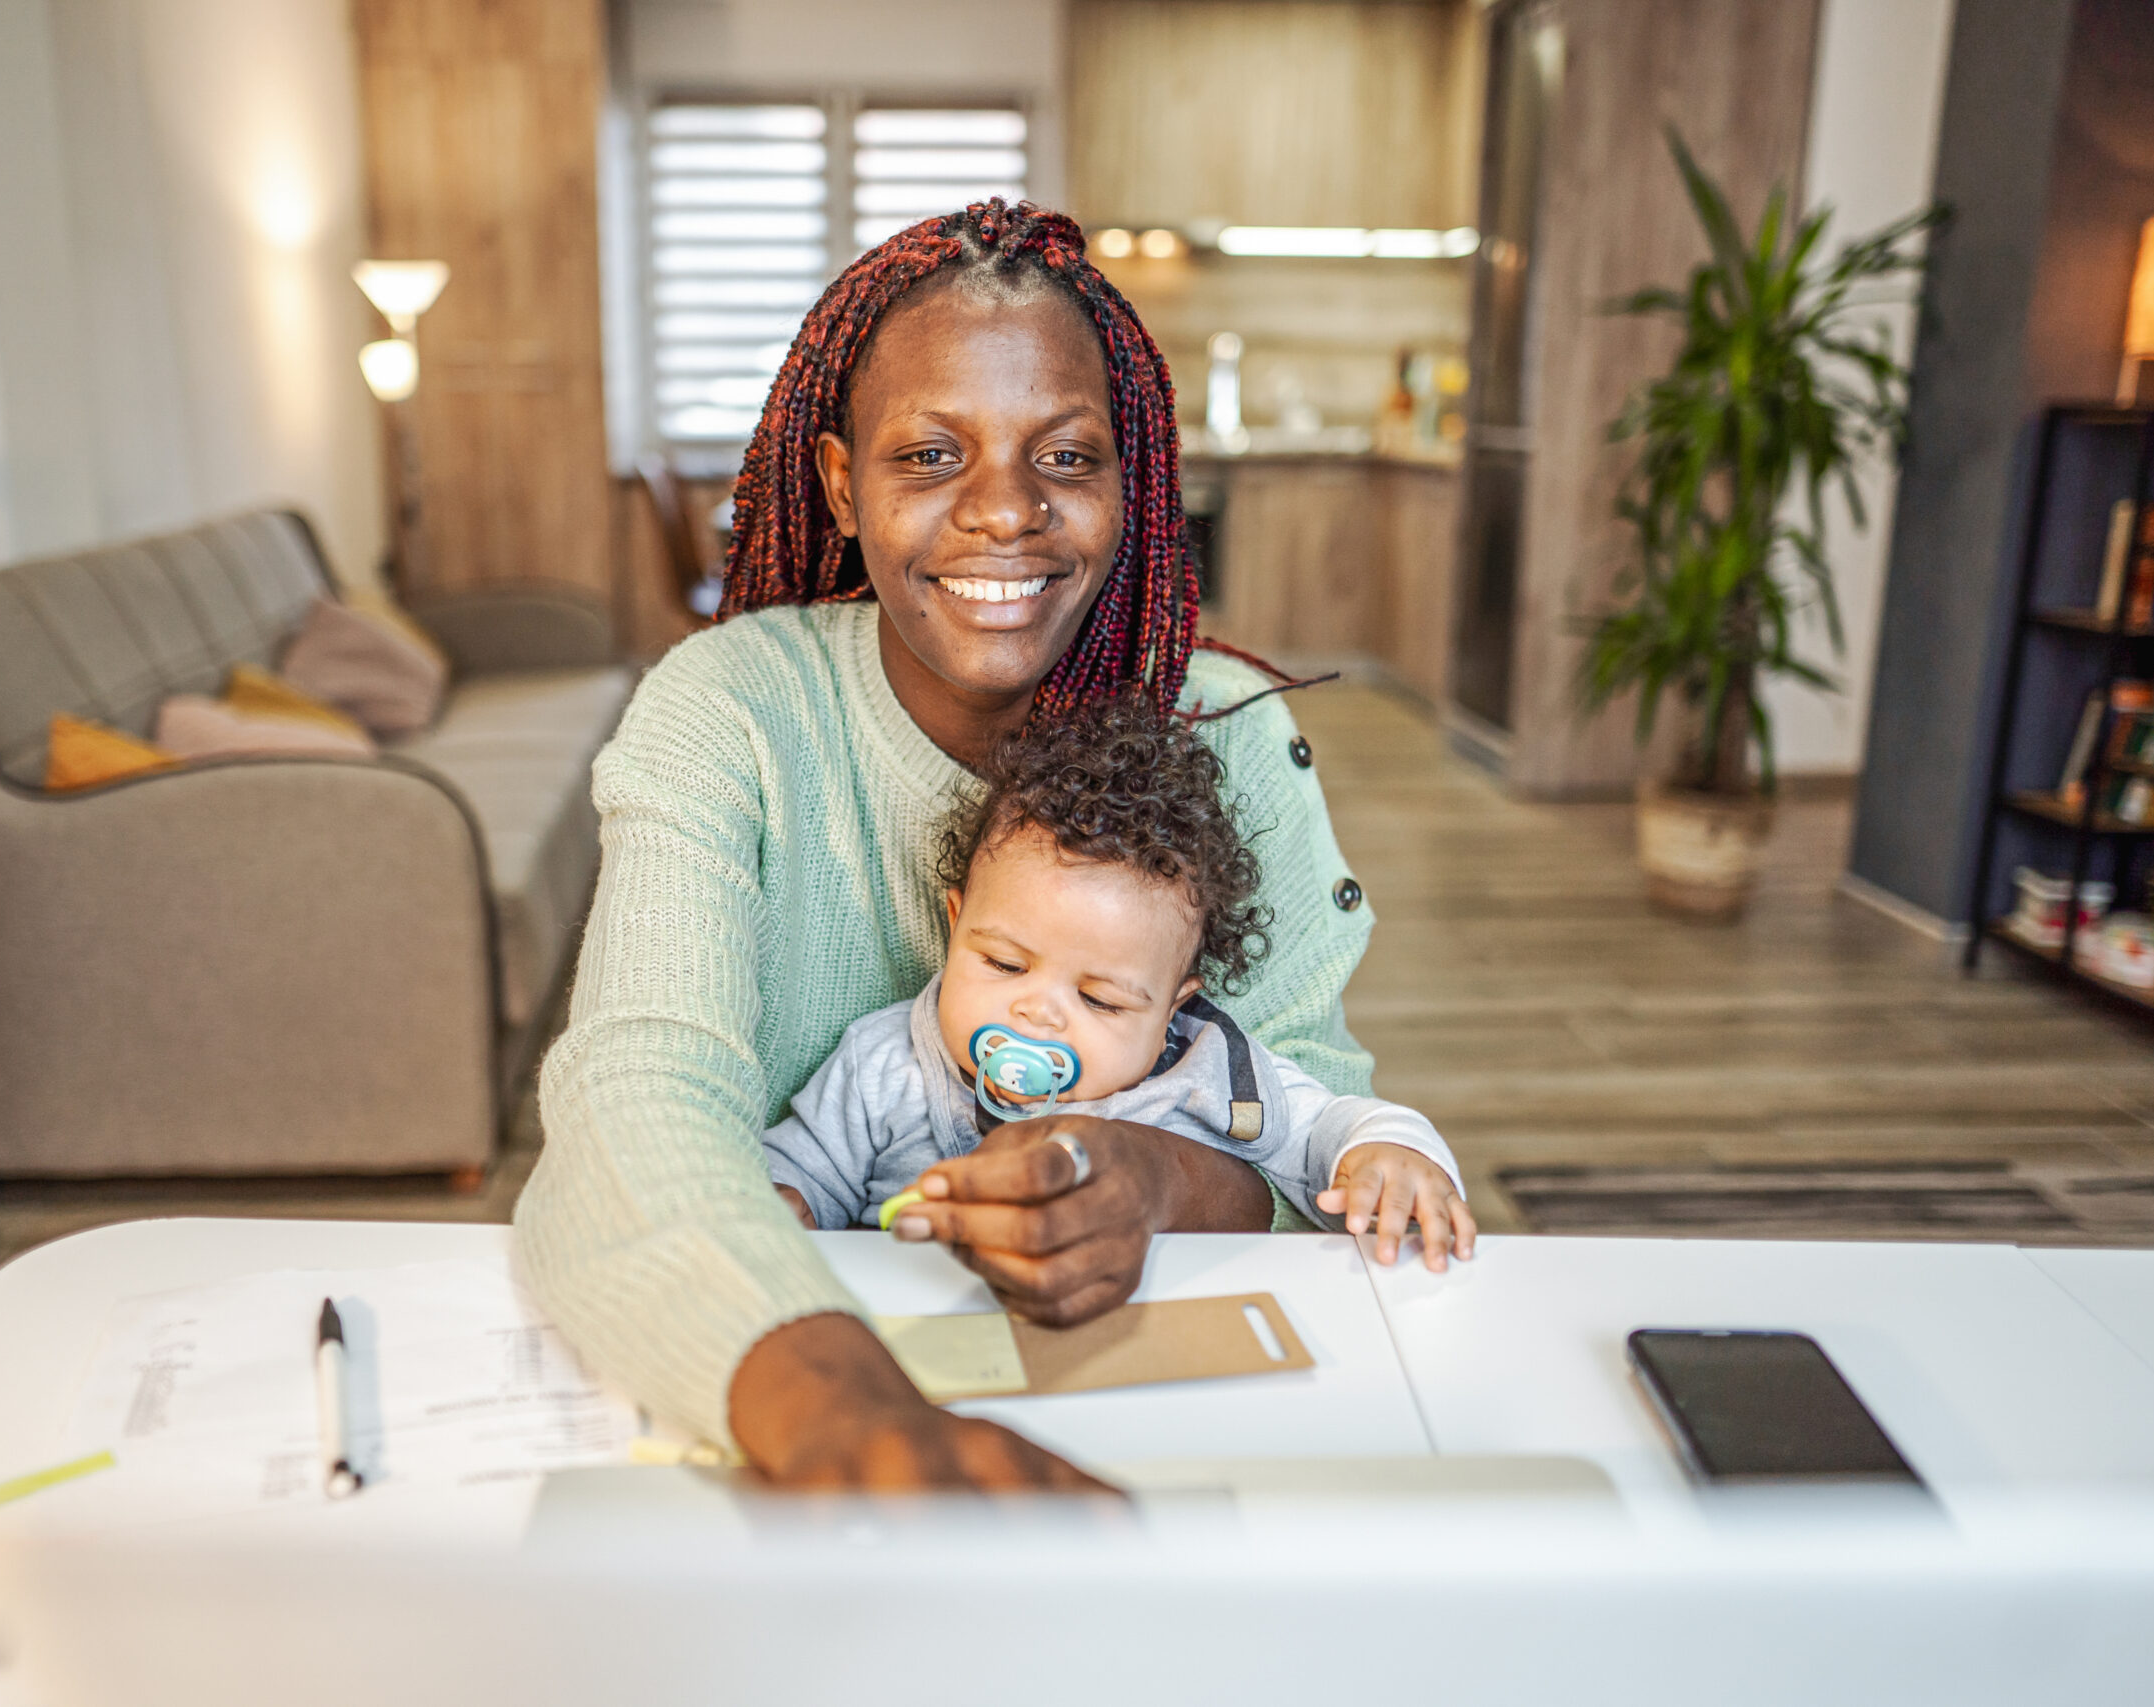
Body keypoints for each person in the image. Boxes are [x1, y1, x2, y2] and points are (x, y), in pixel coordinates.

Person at [516, 199, 1473, 1492]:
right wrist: (850, 1418)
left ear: (1130, 481)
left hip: (1155, 1384)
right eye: (928, 457)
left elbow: (1316, 1149)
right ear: (844, 487)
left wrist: (1157, 1179)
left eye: (1067, 459)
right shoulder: (732, 709)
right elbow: (635, 1102)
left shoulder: (1229, 742)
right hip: (797, 1377)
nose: (1005, 512)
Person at [761, 694, 1469, 1262]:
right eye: (1004, 963)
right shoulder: (887, 1067)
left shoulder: (1203, 1078)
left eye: (1099, 998)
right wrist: (784, 1201)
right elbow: (794, 1172)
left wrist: (1390, 1153)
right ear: (955, 926)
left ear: (1171, 1009)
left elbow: (1331, 1131)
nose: (1036, 1010)